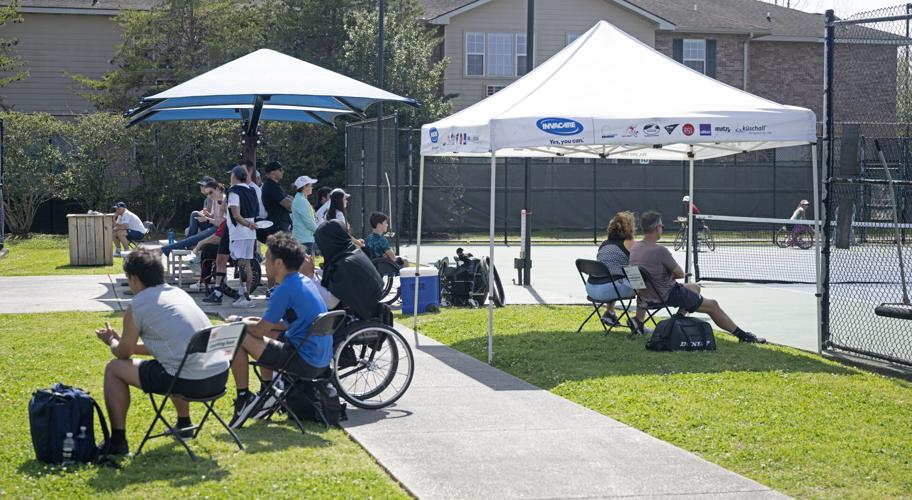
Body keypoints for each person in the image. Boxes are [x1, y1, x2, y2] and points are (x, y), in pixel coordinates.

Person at [94, 248, 228, 456]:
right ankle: (184, 424)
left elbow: (123, 354)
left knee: (113, 369)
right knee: (174, 362)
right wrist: (122, 342)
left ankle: (118, 441)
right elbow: (173, 345)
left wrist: (111, 340)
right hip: (218, 377)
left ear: (134, 279)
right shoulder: (178, 293)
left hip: (190, 382)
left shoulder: (138, 305)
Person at [228, 232, 329, 428]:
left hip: (303, 361)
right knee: (267, 332)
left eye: (267, 258)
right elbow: (278, 325)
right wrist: (249, 321)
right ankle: (268, 391)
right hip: (320, 360)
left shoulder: (283, 290)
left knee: (236, 334)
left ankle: (243, 399)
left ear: (279, 263)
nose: (264, 262)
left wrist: (239, 321)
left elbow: (259, 331)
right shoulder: (303, 281)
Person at [629, 211, 766, 343]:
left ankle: (678, 319)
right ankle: (743, 336)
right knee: (713, 305)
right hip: (666, 295)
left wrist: (666, 276)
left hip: (644, 296)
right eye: (662, 226)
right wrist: (670, 276)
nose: (662, 229)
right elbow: (680, 274)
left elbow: (646, 274)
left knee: (694, 287)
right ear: (657, 228)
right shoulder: (660, 250)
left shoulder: (634, 248)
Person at [586, 211, 643, 329]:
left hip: (592, 288)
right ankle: (638, 321)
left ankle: (610, 312)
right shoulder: (630, 244)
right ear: (630, 228)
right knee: (641, 282)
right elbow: (641, 266)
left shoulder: (604, 244)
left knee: (615, 275)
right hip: (609, 289)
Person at [161, 181, 224, 257]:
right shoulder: (215, 200)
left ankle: (164, 249)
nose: (209, 196)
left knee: (193, 239)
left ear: (217, 188)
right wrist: (207, 214)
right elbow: (213, 216)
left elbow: (222, 223)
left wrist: (206, 219)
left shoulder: (225, 201)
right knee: (195, 213)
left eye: (210, 193)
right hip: (214, 225)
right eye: (207, 194)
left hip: (219, 229)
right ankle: (186, 244)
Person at [226, 165, 259, 308]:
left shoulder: (233, 192)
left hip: (240, 231)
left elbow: (236, 215)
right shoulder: (251, 190)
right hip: (251, 231)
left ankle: (245, 297)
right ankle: (244, 295)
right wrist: (250, 224)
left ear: (235, 176)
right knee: (247, 264)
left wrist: (246, 224)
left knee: (241, 264)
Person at [259, 160, 293, 238]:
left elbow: (289, 200)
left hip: (279, 225)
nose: (283, 172)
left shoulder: (275, 185)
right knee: (280, 249)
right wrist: (294, 202)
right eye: (280, 170)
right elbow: (288, 204)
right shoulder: (271, 186)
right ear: (272, 172)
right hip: (277, 226)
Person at [291, 175, 318, 255]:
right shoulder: (301, 201)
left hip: (304, 238)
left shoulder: (301, 199)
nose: (312, 187)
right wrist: (320, 232)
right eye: (310, 185)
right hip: (303, 240)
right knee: (305, 266)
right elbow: (308, 222)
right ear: (304, 187)